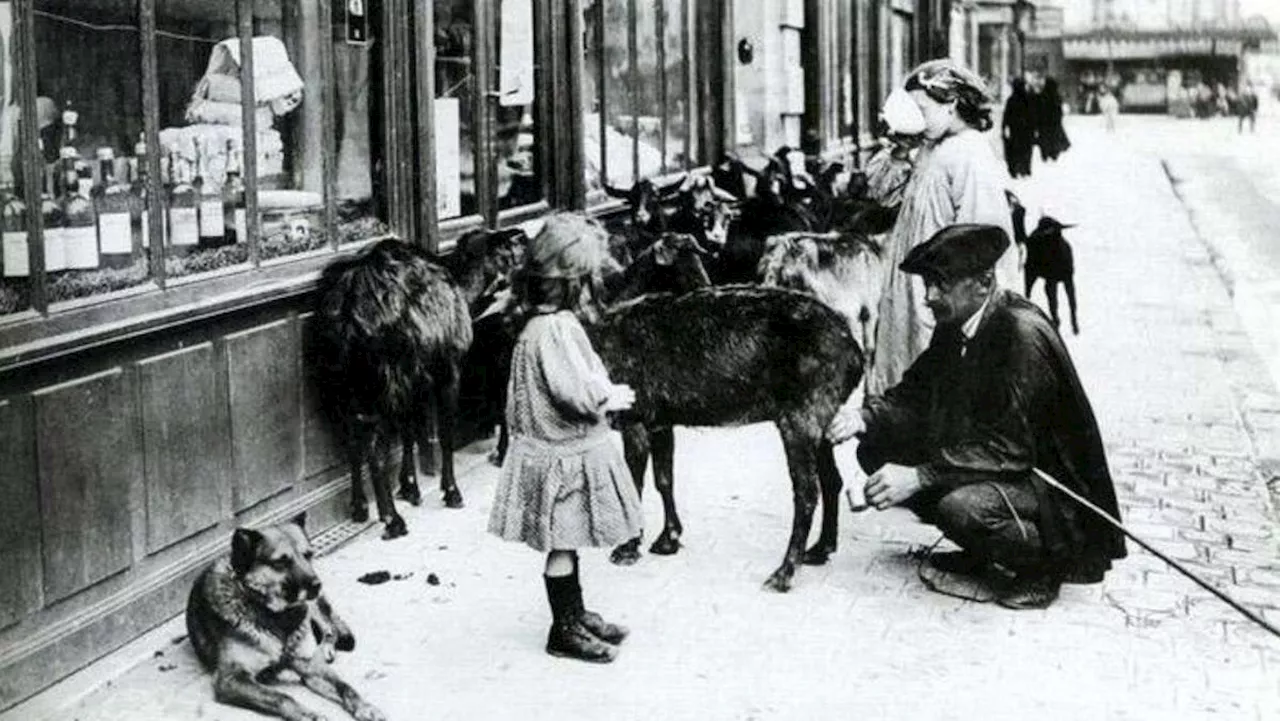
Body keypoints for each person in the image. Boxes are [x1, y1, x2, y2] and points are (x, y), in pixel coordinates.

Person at [829, 223, 1126, 609]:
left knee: (961, 508)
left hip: (1053, 493)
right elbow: (916, 394)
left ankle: (1042, 568)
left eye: (942, 284)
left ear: (984, 283)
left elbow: (1010, 450)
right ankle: (986, 552)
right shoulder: (958, 323)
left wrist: (919, 476)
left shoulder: (1021, 334)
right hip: (1001, 466)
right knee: (876, 445)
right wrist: (863, 417)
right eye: (928, 284)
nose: (930, 296)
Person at [487, 212, 643, 663]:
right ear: (574, 281)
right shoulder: (555, 328)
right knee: (562, 542)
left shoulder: (538, 322)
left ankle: (574, 612)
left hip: (555, 450)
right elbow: (572, 390)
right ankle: (564, 629)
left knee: (567, 540)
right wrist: (608, 397)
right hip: (562, 455)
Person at [864, 59, 1022, 397]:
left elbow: (985, 240)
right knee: (904, 373)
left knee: (936, 383)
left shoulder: (970, 154)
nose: (918, 118)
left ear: (951, 105)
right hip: (910, 288)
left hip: (944, 297)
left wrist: (976, 315)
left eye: (923, 108)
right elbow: (882, 194)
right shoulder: (927, 147)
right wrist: (899, 150)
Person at [1001, 77, 1036, 178]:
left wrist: (1003, 128)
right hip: (1027, 131)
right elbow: (1033, 116)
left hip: (1015, 131)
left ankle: (1015, 170)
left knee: (1014, 151)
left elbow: (1006, 116)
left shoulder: (1011, 100)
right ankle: (1025, 169)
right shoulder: (1028, 99)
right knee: (1026, 150)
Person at [1035, 77, 1071, 162]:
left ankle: (1045, 155)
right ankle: (1054, 155)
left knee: (1044, 140)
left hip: (1043, 124)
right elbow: (1059, 111)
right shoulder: (1056, 97)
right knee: (1054, 140)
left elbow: (1037, 110)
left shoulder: (1041, 96)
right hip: (1054, 124)